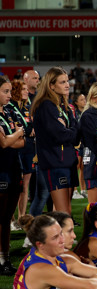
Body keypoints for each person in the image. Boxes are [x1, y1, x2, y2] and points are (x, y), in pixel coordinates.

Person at [31, 67, 79, 215]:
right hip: (55, 163)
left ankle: (55, 237)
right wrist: (69, 131)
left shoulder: (64, 106)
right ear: (51, 85)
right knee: (63, 212)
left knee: (64, 211)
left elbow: (77, 133)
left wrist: (68, 130)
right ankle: (42, 236)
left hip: (68, 161)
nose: (67, 85)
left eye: (67, 81)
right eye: (62, 82)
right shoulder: (46, 106)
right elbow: (60, 136)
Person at [0, 76, 25, 275]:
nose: (9, 95)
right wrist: (16, 134)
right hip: (1, 169)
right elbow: (4, 143)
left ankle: (5, 259)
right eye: (5, 92)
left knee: (7, 217)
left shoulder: (8, 112)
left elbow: (19, 142)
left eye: (9, 91)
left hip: (14, 166)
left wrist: (13, 136)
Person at [8, 79, 34, 227]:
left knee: (25, 186)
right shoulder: (9, 108)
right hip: (15, 149)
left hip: (29, 148)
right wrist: (26, 131)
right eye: (23, 89)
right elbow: (17, 130)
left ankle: (21, 218)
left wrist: (25, 131)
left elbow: (30, 127)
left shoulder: (26, 107)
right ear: (16, 91)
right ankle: (10, 218)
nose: (26, 91)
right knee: (14, 186)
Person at [72, 92, 87, 199]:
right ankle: (74, 191)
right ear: (76, 102)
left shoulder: (86, 112)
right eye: (81, 99)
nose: (84, 101)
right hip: (77, 143)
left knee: (83, 167)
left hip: (84, 142)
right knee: (76, 166)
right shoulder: (74, 113)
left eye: (84, 99)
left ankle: (83, 190)